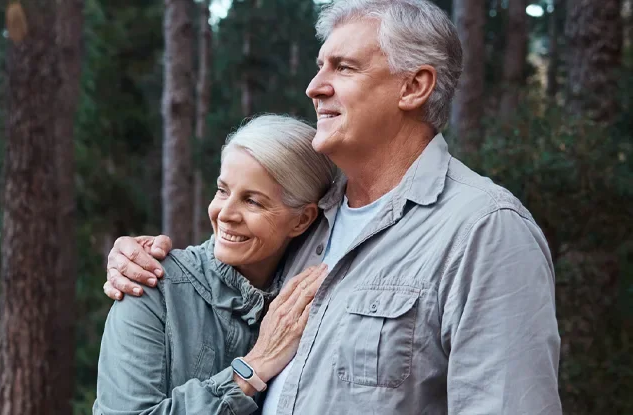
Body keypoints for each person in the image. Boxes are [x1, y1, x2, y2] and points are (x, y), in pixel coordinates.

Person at [101, 0, 562, 414]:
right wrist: (137, 260)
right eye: (321, 66)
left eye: (343, 68)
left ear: (414, 86)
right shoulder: (310, 220)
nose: (313, 87)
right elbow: (212, 278)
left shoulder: (484, 231)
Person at [93, 115, 335, 414]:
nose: (225, 213)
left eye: (252, 201)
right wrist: (254, 367)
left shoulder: (310, 299)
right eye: (223, 190)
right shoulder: (153, 286)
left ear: (302, 219)